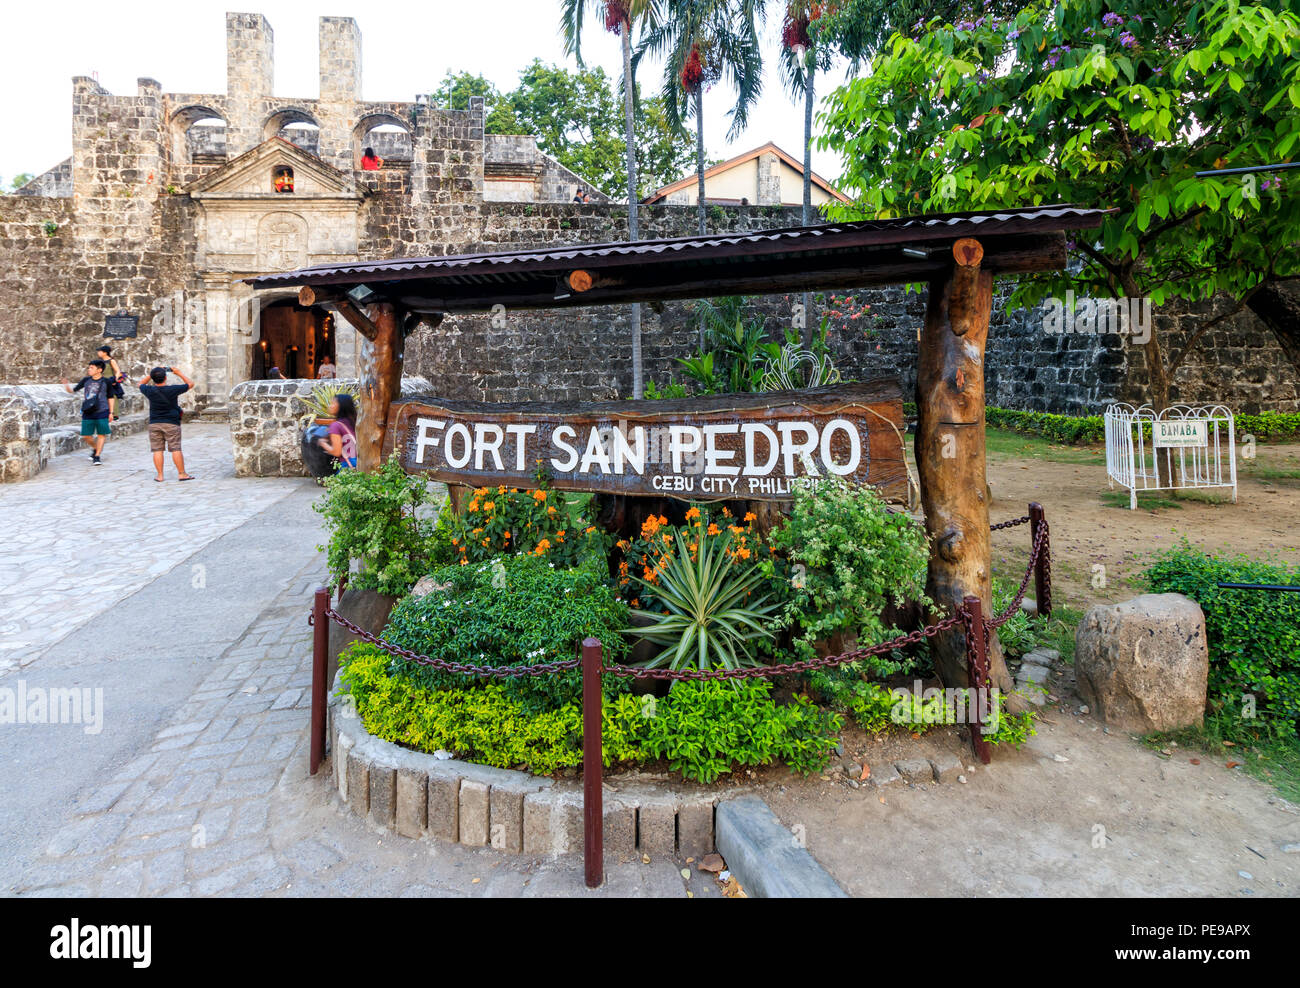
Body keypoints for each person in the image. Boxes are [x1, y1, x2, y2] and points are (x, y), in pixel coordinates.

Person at [138, 366, 195, 482]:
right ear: (165, 377)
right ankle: (182, 474)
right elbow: (190, 383)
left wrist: (152, 374)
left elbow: (140, 383)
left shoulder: (149, 390)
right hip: (171, 423)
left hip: (154, 423)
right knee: (175, 448)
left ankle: (160, 475)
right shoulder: (172, 389)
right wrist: (178, 372)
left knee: (157, 450)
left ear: (153, 379)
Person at [62, 359, 113, 464]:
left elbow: (110, 397)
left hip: (102, 410)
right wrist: (66, 386)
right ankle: (95, 448)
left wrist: (111, 412)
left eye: (91, 368)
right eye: (89, 367)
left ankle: (97, 456)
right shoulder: (86, 380)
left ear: (99, 370)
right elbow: (73, 390)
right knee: (86, 435)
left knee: (101, 434)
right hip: (88, 411)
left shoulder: (106, 381)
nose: (89, 369)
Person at [317, 393, 357, 470]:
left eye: (333, 403)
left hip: (348, 465)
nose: (330, 406)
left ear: (341, 406)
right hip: (361, 462)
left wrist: (322, 443)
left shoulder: (336, 426)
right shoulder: (354, 421)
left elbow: (336, 452)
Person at [96, 344, 125, 421]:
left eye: (100, 351)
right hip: (101, 382)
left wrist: (115, 380)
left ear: (105, 352)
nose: (98, 353)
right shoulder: (99, 362)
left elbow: (117, 371)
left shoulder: (111, 361)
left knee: (113, 398)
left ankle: (115, 415)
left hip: (110, 381)